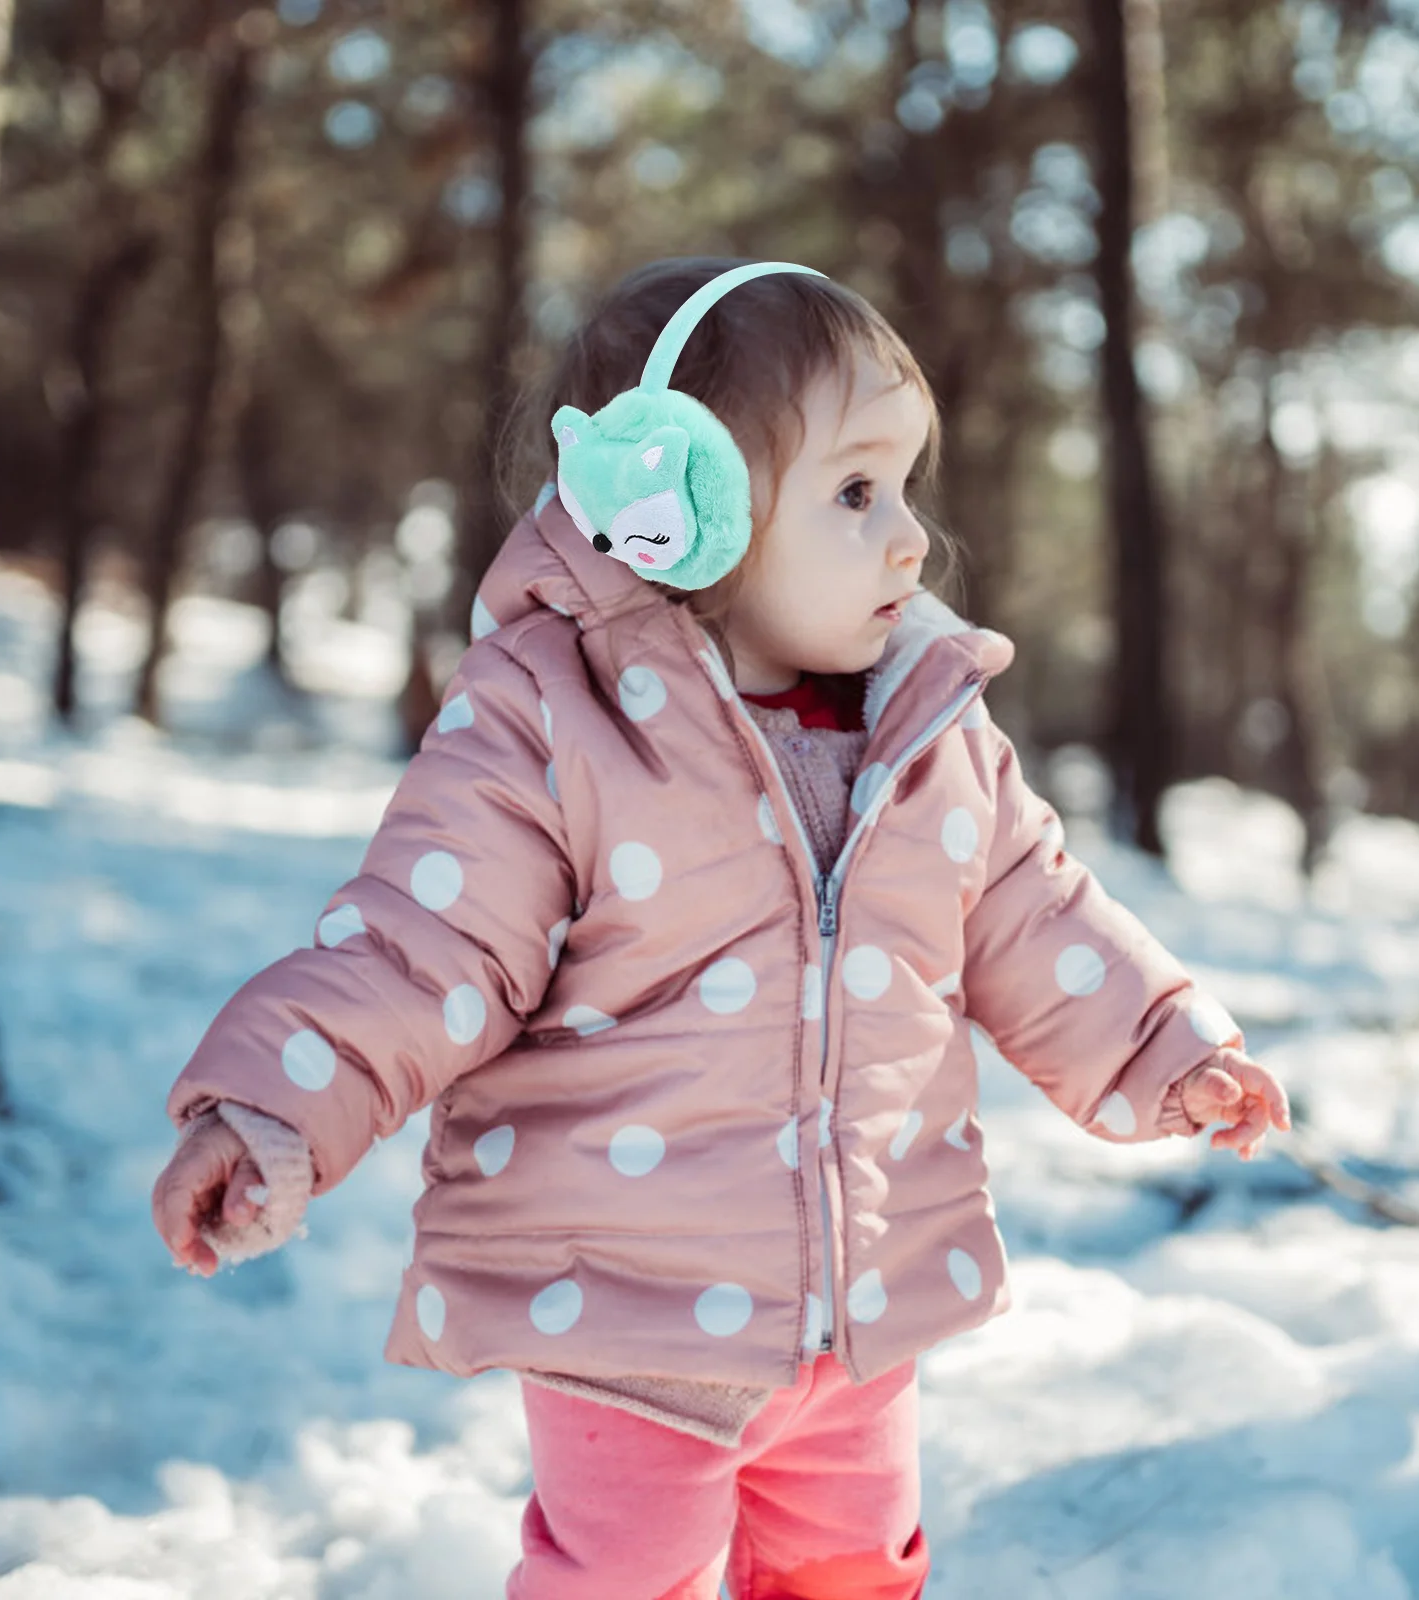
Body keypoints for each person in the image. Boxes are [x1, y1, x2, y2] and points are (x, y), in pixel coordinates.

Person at [151, 257, 1291, 1600]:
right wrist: (270, 1108)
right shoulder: (555, 723)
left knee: (853, 1569)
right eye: (856, 492)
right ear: (681, 501)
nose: (911, 537)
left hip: (856, 1310)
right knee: (626, 1578)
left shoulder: (928, 734)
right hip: (626, 1308)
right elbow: (419, 949)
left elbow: (1037, 913)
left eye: (906, 487)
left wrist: (1166, 1045)